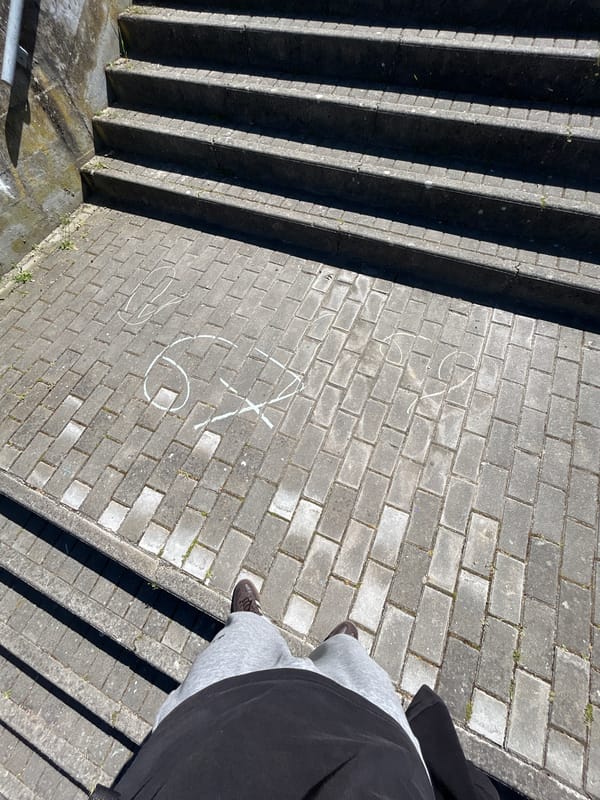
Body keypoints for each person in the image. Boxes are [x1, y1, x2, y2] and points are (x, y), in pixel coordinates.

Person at [90, 580, 497, 800]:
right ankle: (340, 649)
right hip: (373, 745)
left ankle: (254, 625)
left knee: (241, 644)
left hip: (207, 737)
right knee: (354, 666)